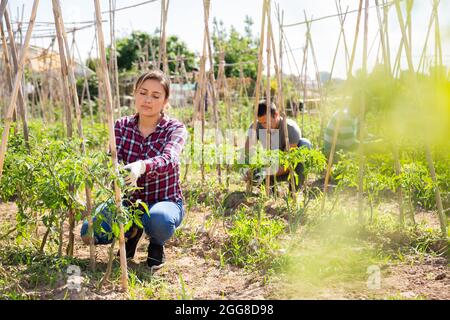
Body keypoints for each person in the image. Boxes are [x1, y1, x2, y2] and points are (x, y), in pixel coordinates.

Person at [80, 70, 188, 270]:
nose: (147, 100)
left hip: (164, 199)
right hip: (128, 201)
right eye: (142, 93)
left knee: (160, 220)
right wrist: (113, 172)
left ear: (165, 101)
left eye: (155, 96)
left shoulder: (174, 128)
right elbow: (110, 162)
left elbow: (170, 158)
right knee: (89, 232)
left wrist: (142, 166)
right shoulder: (121, 126)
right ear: (135, 94)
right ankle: (131, 231)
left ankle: (156, 243)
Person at [242, 100, 312, 191]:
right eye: (261, 123)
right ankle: (271, 191)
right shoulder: (256, 126)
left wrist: (266, 172)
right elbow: (247, 151)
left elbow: (289, 164)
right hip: (270, 164)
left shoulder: (291, 129)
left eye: (266, 122)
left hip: (289, 168)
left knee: (305, 144)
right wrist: (247, 169)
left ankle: (294, 192)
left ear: (276, 115)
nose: (264, 126)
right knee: (254, 172)